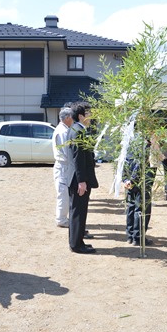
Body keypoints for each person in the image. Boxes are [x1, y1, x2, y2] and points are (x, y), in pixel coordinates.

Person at [66, 102, 99, 254]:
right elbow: (78, 159)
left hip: (76, 177)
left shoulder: (75, 129)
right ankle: (76, 245)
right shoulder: (78, 132)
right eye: (88, 113)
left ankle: (78, 241)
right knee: (78, 211)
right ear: (81, 116)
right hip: (78, 179)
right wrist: (81, 181)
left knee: (78, 210)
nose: (91, 116)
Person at [123, 138, 155, 246]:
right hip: (141, 179)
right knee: (141, 208)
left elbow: (125, 160)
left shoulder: (130, 140)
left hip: (131, 179)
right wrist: (132, 179)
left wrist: (126, 179)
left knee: (131, 206)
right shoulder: (145, 144)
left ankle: (130, 235)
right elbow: (139, 163)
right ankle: (138, 237)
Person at [52, 107, 74, 228]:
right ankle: (61, 219)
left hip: (64, 165)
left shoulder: (64, 129)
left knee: (64, 193)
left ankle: (62, 218)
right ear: (67, 118)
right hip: (63, 165)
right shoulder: (63, 131)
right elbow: (66, 151)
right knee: (63, 194)